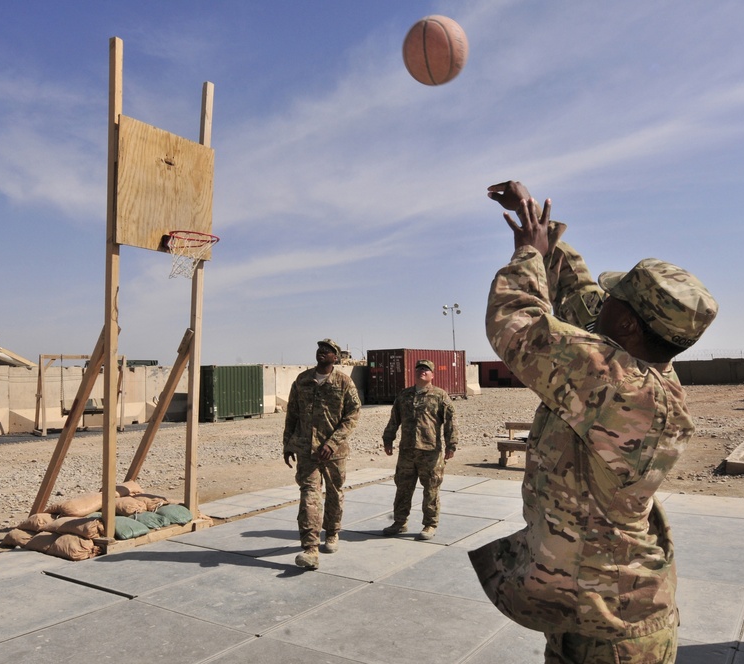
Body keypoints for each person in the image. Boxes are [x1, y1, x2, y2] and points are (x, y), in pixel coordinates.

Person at [468, 181, 718, 664]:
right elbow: (584, 300)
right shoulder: (634, 365)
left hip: (615, 632)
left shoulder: (619, 386)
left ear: (626, 326)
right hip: (588, 609)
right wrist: (547, 242)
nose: (600, 303)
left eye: (614, 301)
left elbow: (516, 322)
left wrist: (526, 255)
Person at [283, 338, 362, 570]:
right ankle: (310, 548)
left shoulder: (344, 382)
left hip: (334, 454)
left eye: (327, 351)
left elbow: (353, 415)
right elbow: (292, 414)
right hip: (307, 451)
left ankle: (333, 532)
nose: (321, 352)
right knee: (309, 495)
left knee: (335, 493)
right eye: (319, 349)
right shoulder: (302, 380)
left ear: (335, 358)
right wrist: (288, 444)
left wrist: (333, 442)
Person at [381, 359, 458, 541]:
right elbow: (394, 419)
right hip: (407, 451)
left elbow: (451, 422)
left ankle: (430, 524)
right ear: (414, 373)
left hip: (430, 451)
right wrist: (388, 439)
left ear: (432, 375)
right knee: (403, 488)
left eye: (426, 369)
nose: (422, 372)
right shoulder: (404, 395)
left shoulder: (440, 396)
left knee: (431, 489)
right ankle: (399, 522)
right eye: (419, 369)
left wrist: (451, 444)